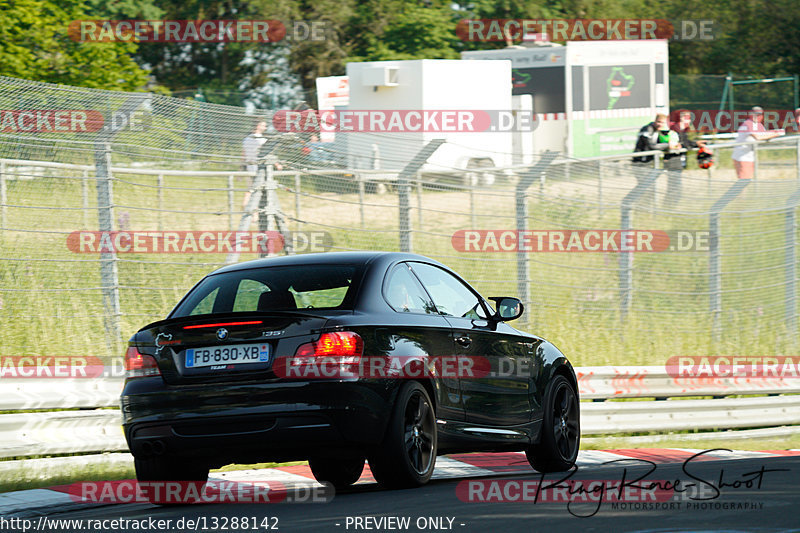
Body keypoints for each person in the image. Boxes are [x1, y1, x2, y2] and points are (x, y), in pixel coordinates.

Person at [633, 113, 682, 205]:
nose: (660, 124)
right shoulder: (647, 129)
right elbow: (651, 145)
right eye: (658, 122)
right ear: (655, 121)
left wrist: (675, 144)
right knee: (645, 188)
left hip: (649, 163)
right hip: (640, 162)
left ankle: (649, 210)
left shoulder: (660, 131)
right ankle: (640, 208)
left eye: (662, 123)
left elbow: (664, 142)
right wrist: (668, 146)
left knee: (650, 188)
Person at [732, 106, 783, 179]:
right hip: (742, 157)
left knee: (746, 182)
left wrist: (776, 131)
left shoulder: (756, 124)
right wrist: (777, 134)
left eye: (760, 114)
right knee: (744, 182)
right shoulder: (749, 124)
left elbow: (763, 134)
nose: (758, 116)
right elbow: (758, 137)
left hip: (748, 157)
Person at [241, 119, 267, 214]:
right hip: (259, 170)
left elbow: (243, 156)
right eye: (264, 125)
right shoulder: (263, 140)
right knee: (257, 192)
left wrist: (240, 170)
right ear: (258, 126)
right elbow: (268, 155)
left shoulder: (246, 139)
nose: (265, 128)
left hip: (249, 169)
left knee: (250, 190)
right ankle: (255, 213)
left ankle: (245, 204)